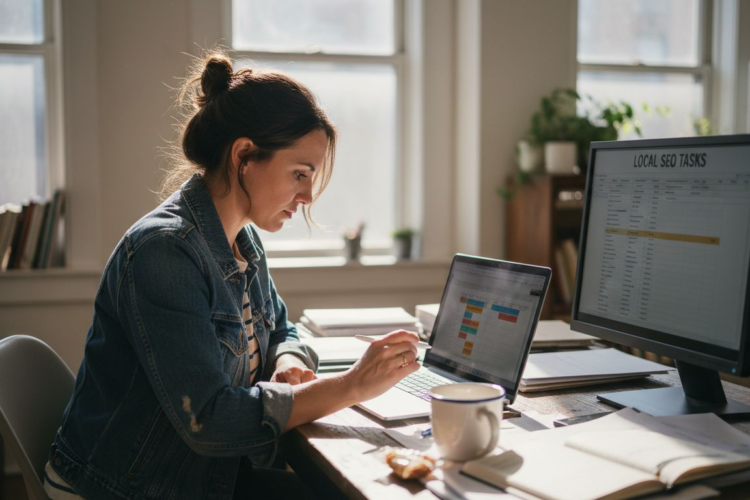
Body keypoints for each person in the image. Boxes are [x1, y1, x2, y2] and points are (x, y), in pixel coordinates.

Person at [44, 51, 421, 500]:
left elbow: (283, 326)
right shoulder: (163, 252)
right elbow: (210, 420)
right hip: (124, 489)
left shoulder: (243, 240)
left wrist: (289, 363)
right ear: (244, 155)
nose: (307, 195)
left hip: (199, 478)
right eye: (300, 173)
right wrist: (352, 385)